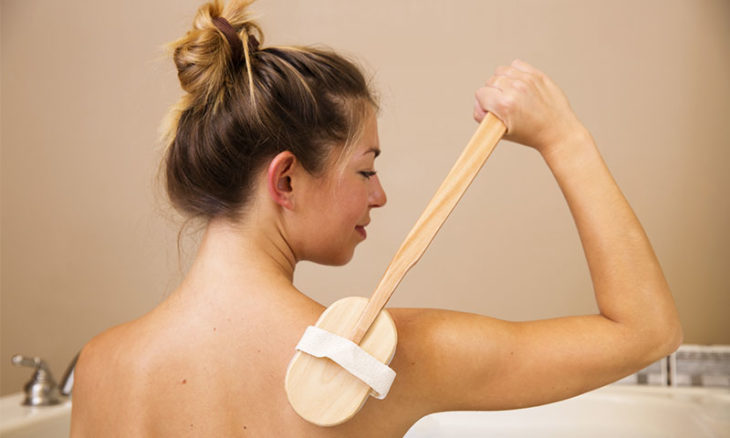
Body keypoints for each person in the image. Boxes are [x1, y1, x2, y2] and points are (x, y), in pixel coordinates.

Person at [70, 0, 682, 436]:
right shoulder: (383, 360)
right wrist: (563, 138)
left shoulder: (102, 368)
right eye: (366, 170)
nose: (381, 195)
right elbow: (647, 333)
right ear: (286, 179)